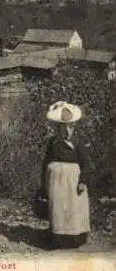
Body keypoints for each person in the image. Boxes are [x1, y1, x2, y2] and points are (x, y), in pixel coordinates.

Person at [40, 101, 91, 249]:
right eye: (64, 127)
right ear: (58, 128)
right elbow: (46, 161)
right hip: (56, 183)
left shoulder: (78, 144)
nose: (68, 130)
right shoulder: (53, 143)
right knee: (58, 209)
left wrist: (82, 181)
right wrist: (43, 181)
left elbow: (85, 164)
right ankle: (57, 237)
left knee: (73, 209)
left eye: (70, 126)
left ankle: (75, 239)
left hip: (72, 183)